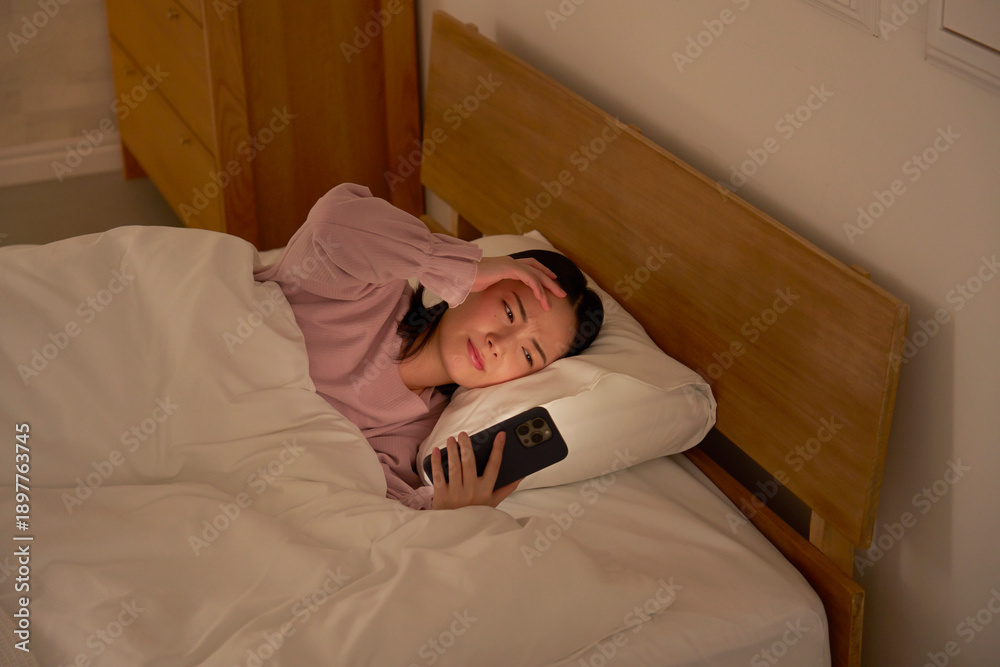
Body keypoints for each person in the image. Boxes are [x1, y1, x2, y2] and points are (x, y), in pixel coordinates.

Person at [254, 183, 603, 511]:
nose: (498, 344)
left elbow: (366, 507)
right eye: (509, 311)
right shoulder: (370, 287)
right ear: (485, 281)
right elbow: (332, 223)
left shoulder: (420, 432)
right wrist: (457, 266)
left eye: (527, 355)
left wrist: (450, 514)